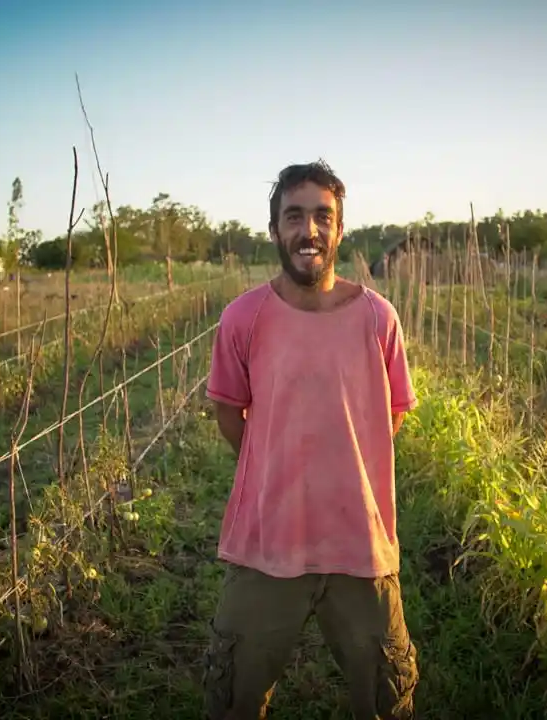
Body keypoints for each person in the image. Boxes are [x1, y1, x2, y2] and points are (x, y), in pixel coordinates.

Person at [202, 161, 420, 720]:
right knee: (234, 697)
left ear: (340, 229)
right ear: (274, 230)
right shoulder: (244, 318)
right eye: (294, 217)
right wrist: (274, 465)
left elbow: (390, 416)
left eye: (323, 216)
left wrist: (341, 465)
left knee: (386, 699)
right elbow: (229, 411)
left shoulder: (378, 318)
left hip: (360, 546)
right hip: (267, 540)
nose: (310, 230)